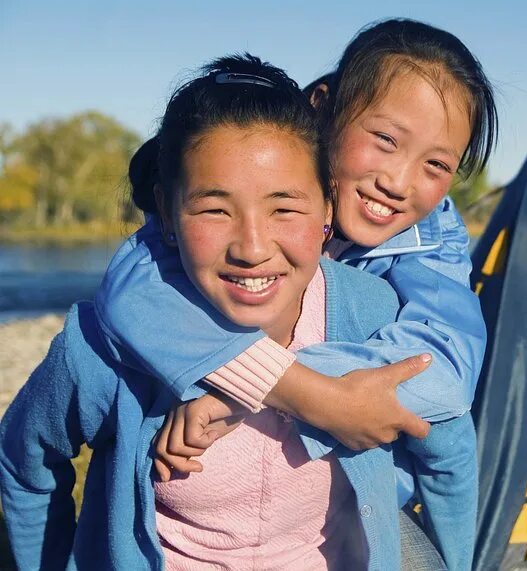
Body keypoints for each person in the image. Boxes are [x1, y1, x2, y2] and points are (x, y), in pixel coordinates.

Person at [0, 55, 450, 570]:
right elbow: (25, 459)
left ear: (327, 209)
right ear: (166, 213)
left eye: (284, 207)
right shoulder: (101, 350)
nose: (252, 247)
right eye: (214, 209)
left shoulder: (372, 314)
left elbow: (446, 444)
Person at [96, 19, 497, 570]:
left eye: (436, 165)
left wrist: (257, 390)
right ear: (322, 106)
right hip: (203, 506)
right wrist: (299, 391)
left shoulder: (432, 238)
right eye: (385, 140)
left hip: (354, 494)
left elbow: (446, 370)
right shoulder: (249, 179)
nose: (399, 182)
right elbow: (134, 291)